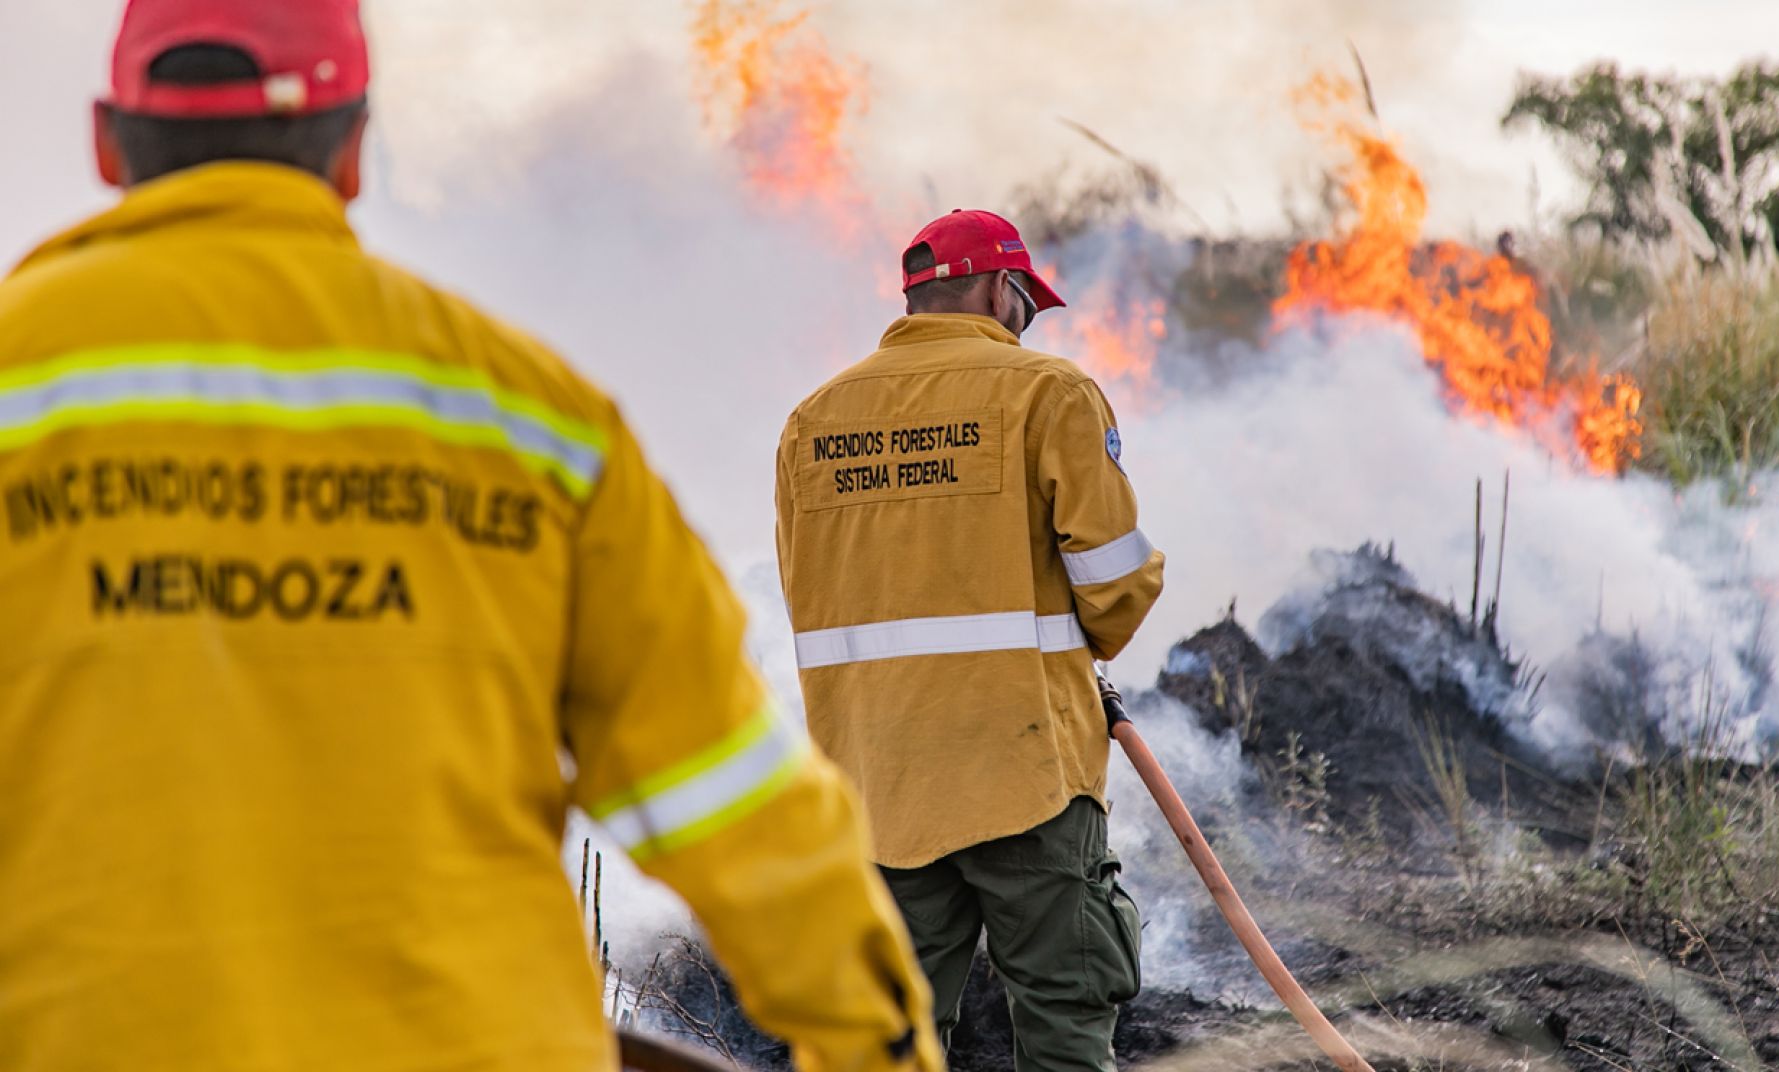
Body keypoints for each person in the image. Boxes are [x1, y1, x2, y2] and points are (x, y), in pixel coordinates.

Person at [0, 2, 940, 1069]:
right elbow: (734, 797)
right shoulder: (533, 423)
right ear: (354, 148)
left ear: (106, 140)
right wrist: (876, 1046)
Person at [774, 209, 1166, 1071]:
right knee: (1065, 1022)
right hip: (1021, 775)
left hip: (874, 783)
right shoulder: (1047, 392)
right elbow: (1117, 585)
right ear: (1000, 289)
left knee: (873, 1042)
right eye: (1027, 300)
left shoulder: (813, 420)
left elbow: (807, 588)